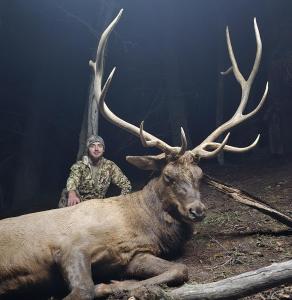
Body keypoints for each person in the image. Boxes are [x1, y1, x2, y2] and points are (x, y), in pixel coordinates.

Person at [58, 135, 132, 207]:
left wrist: (119, 201)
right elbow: (72, 180)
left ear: (103, 150)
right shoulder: (79, 165)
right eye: (92, 146)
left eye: (100, 146)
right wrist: (72, 193)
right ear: (88, 149)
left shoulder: (110, 166)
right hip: (80, 204)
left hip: (99, 206)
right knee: (66, 197)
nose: (96, 149)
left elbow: (126, 185)